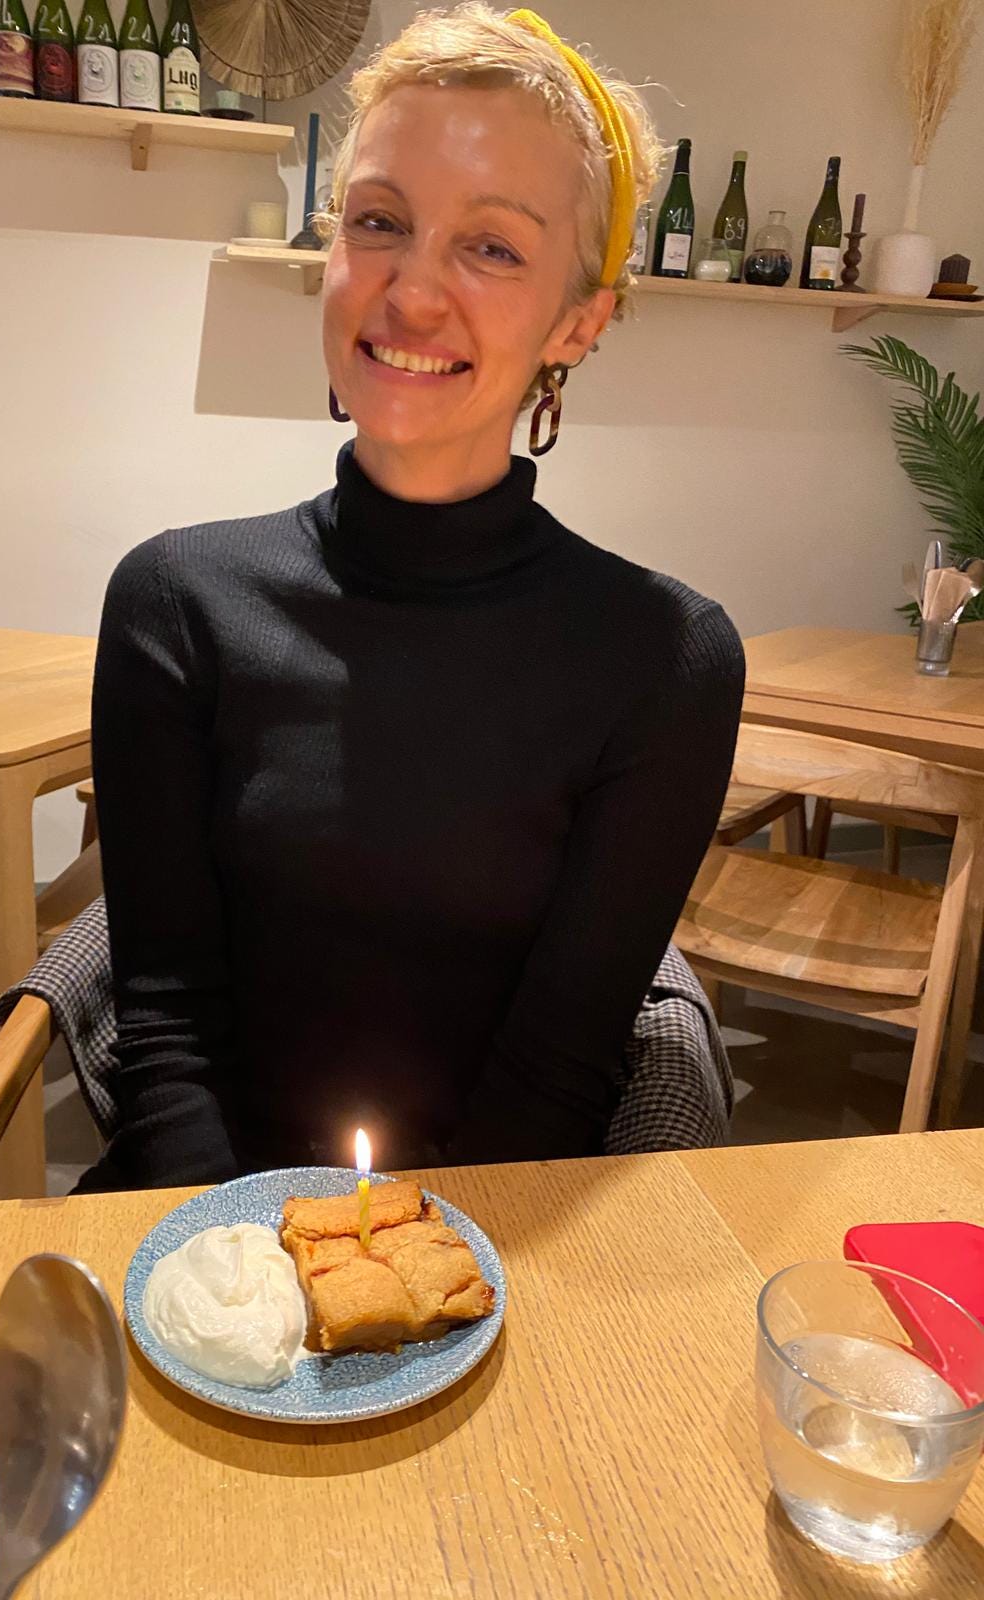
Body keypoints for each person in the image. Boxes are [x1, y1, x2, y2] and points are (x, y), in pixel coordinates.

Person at [80, 3, 744, 1191]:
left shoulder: (663, 657)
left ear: (579, 321)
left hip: (490, 1232)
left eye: (493, 247)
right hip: (206, 1230)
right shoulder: (174, 603)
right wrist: (231, 1259)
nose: (414, 293)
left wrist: (407, 1272)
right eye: (380, 222)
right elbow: (167, 1032)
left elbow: (557, 1073)